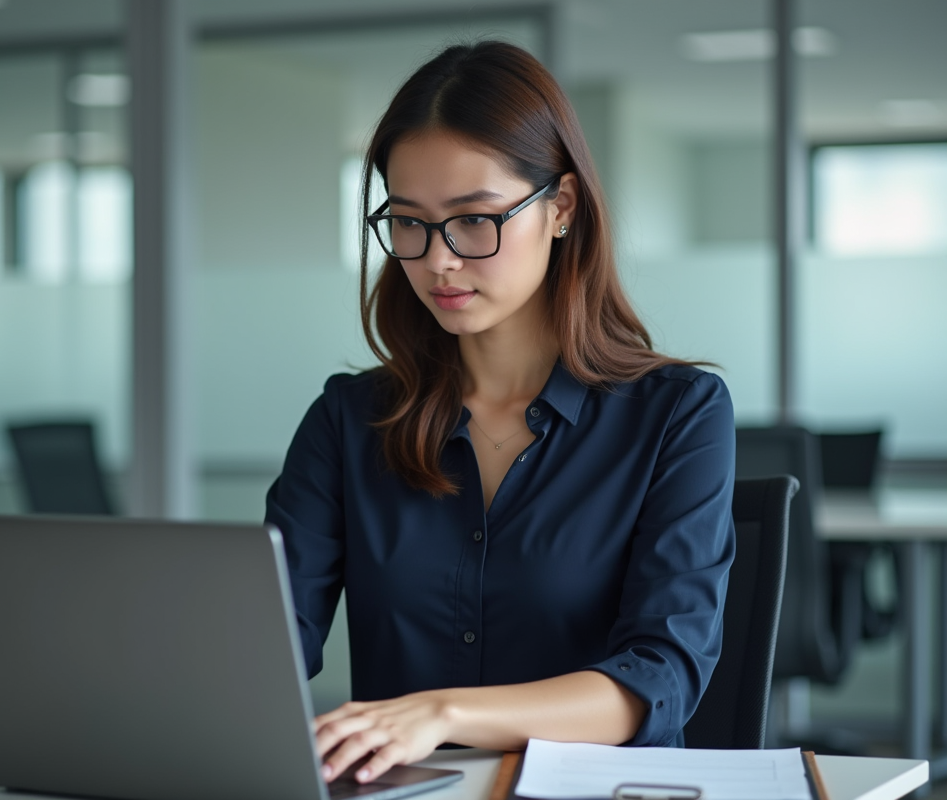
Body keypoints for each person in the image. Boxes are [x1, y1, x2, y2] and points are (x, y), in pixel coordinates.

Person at [264, 40, 735, 785]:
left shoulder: (677, 414)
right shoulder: (349, 421)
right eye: (409, 223)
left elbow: (660, 676)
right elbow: (265, 646)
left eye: (474, 220)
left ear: (562, 208)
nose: (437, 260)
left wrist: (443, 713)